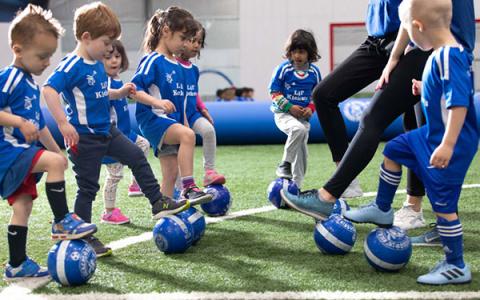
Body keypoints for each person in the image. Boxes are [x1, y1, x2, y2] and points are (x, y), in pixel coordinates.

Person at [281, 0, 474, 224]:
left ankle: (411, 207)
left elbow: (426, 10)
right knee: (325, 94)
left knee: (401, 122)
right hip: (389, 37)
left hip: (427, 42)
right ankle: (348, 180)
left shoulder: (447, 51)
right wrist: (393, 57)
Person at [42, 2, 190, 258]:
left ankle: (158, 201)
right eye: (106, 42)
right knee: (87, 188)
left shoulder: (97, 63)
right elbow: (48, 89)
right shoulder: (71, 64)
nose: (110, 48)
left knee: (136, 156)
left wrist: (119, 93)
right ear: (87, 37)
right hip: (83, 138)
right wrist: (63, 124)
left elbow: (99, 94)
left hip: (107, 131)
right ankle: (84, 238)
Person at [344, 0, 477, 285]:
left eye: (407, 28)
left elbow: (459, 105)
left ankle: (456, 265)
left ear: (418, 26)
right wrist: (422, 86)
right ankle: (382, 207)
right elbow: (440, 87)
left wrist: (448, 145)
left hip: (451, 141)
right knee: (394, 150)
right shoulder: (439, 55)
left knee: (444, 205)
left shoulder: (452, 56)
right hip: (431, 135)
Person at [1, 4, 96, 280]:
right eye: (42, 56)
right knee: (53, 165)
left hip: (20, 153)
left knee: (23, 206)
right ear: (17, 50)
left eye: (50, 56)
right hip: (7, 153)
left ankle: (17, 265)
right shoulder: (9, 79)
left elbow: (41, 126)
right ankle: (62, 222)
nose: (47, 63)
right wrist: (18, 123)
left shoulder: (31, 84)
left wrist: (58, 151)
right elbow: (24, 123)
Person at [130, 6, 213, 202]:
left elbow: (183, 102)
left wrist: (184, 121)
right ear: (166, 31)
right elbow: (134, 90)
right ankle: (189, 187)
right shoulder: (153, 60)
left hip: (171, 122)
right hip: (153, 119)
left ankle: (163, 209)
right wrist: (156, 101)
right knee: (188, 135)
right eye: (182, 38)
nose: (184, 44)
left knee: (170, 173)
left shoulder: (178, 65)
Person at [100, 40, 151, 225]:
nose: (114, 60)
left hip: (126, 132)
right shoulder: (103, 82)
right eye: (108, 57)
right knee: (114, 174)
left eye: (117, 56)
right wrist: (120, 92)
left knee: (144, 144)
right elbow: (105, 96)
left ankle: (135, 183)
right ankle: (109, 211)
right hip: (112, 138)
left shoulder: (117, 79)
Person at [176, 22, 226, 187]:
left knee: (209, 130)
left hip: (192, 114)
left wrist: (203, 109)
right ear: (181, 40)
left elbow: (193, 92)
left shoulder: (194, 69)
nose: (196, 45)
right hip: (175, 117)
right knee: (177, 150)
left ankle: (209, 172)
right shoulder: (172, 65)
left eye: (199, 42)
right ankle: (178, 186)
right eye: (193, 40)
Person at [269, 29, 321, 189]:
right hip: (283, 114)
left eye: (301, 52)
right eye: (294, 52)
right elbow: (274, 92)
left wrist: (311, 109)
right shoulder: (284, 69)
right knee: (298, 130)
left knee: (302, 152)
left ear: (309, 53)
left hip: (303, 118)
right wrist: (290, 107)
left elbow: (317, 95)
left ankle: (296, 187)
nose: (297, 56)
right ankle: (284, 164)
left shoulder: (314, 72)